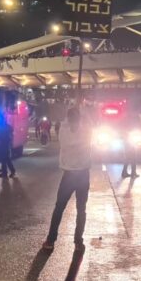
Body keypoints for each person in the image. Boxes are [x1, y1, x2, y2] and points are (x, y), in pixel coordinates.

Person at [43, 107, 92, 252]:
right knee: (81, 209)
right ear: (79, 119)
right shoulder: (86, 132)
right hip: (83, 174)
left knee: (59, 208)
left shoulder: (64, 132)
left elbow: (64, 122)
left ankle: (51, 240)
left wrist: (71, 112)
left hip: (69, 175)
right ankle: (78, 241)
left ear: (69, 119)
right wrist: (83, 111)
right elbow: (89, 120)